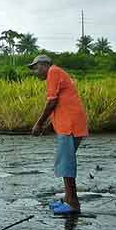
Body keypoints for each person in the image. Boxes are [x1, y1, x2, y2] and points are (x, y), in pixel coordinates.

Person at [28, 55, 89, 214]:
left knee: (66, 164)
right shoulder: (56, 73)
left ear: (45, 64)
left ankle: (73, 204)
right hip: (69, 125)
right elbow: (59, 105)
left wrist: (39, 123)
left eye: (36, 67)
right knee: (64, 162)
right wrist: (47, 126)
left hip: (70, 126)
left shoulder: (53, 72)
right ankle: (68, 200)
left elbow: (51, 102)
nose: (35, 71)